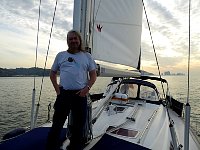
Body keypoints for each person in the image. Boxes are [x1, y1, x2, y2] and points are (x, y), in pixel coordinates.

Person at [46, 30, 97, 150]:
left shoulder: (87, 56)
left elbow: (93, 75)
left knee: (78, 127)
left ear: (79, 40)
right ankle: (51, 147)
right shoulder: (61, 55)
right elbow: (52, 73)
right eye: (70, 39)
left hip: (80, 95)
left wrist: (87, 88)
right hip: (63, 94)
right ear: (67, 41)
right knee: (57, 125)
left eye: (75, 38)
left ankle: (75, 147)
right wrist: (57, 90)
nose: (73, 41)